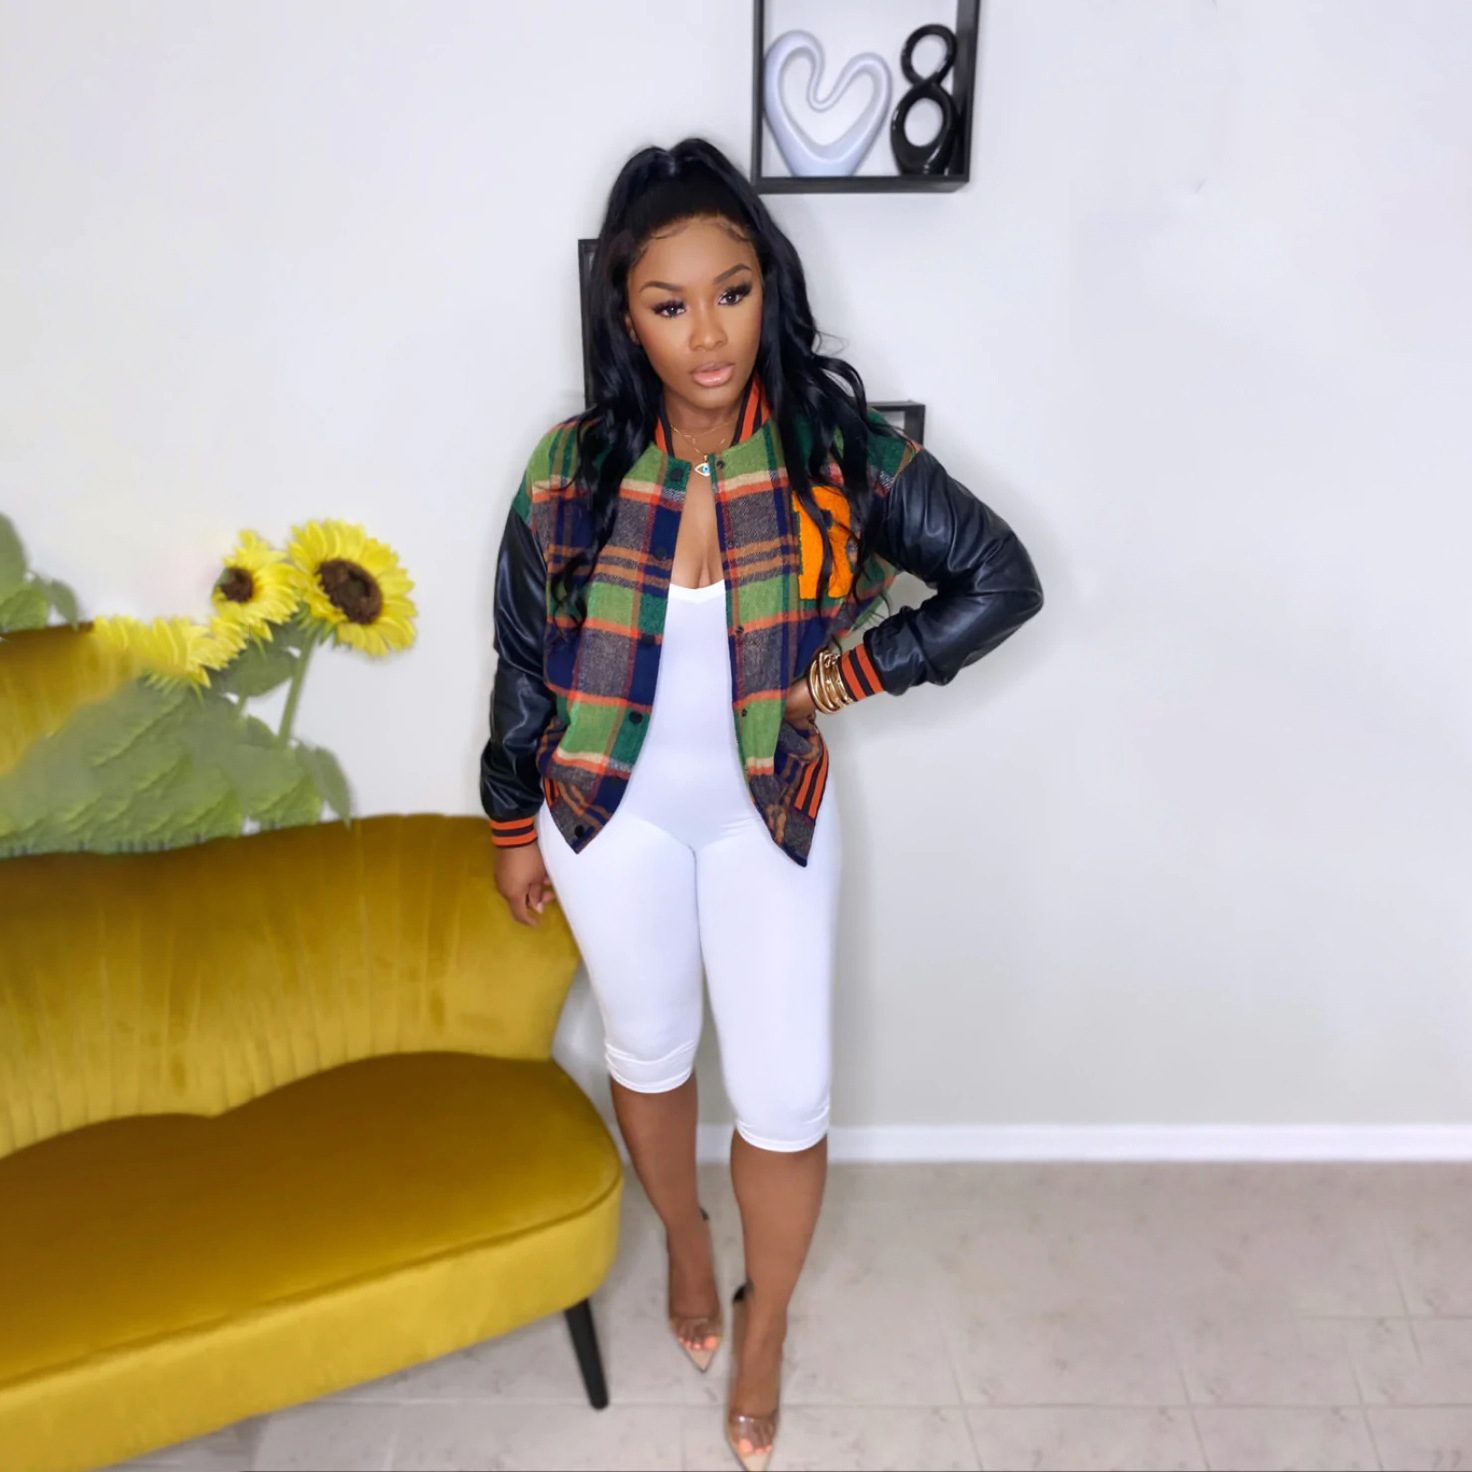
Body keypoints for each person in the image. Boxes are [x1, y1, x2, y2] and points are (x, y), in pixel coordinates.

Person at [479, 136, 1044, 1472]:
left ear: (767, 287)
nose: (707, 334)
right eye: (668, 304)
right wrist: (512, 825)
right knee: (650, 1055)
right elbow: (523, 659)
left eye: (731, 293)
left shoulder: (832, 450)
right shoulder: (568, 468)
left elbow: (1000, 579)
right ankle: (686, 1244)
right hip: (601, 817)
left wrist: (849, 674)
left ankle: (766, 1321)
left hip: (767, 811)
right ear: (626, 316)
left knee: (785, 1099)